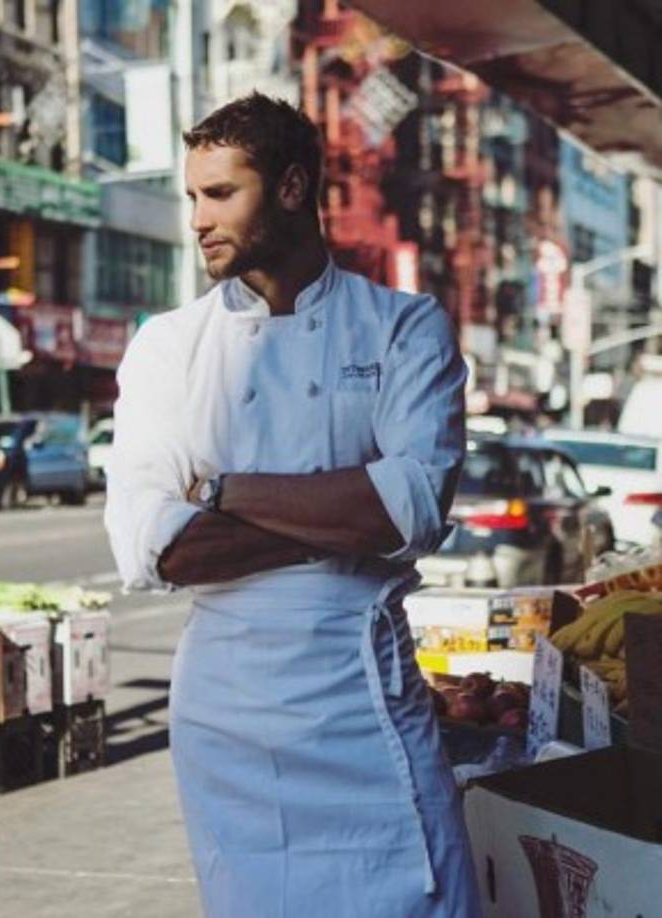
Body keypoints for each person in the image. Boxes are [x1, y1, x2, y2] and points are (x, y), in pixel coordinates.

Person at [104, 92, 481, 917]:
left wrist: (224, 492)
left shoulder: (402, 328)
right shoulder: (168, 347)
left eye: (219, 194)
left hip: (359, 695)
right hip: (227, 716)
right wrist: (343, 521)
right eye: (191, 197)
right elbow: (153, 549)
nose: (197, 220)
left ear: (289, 187)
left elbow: (410, 508)